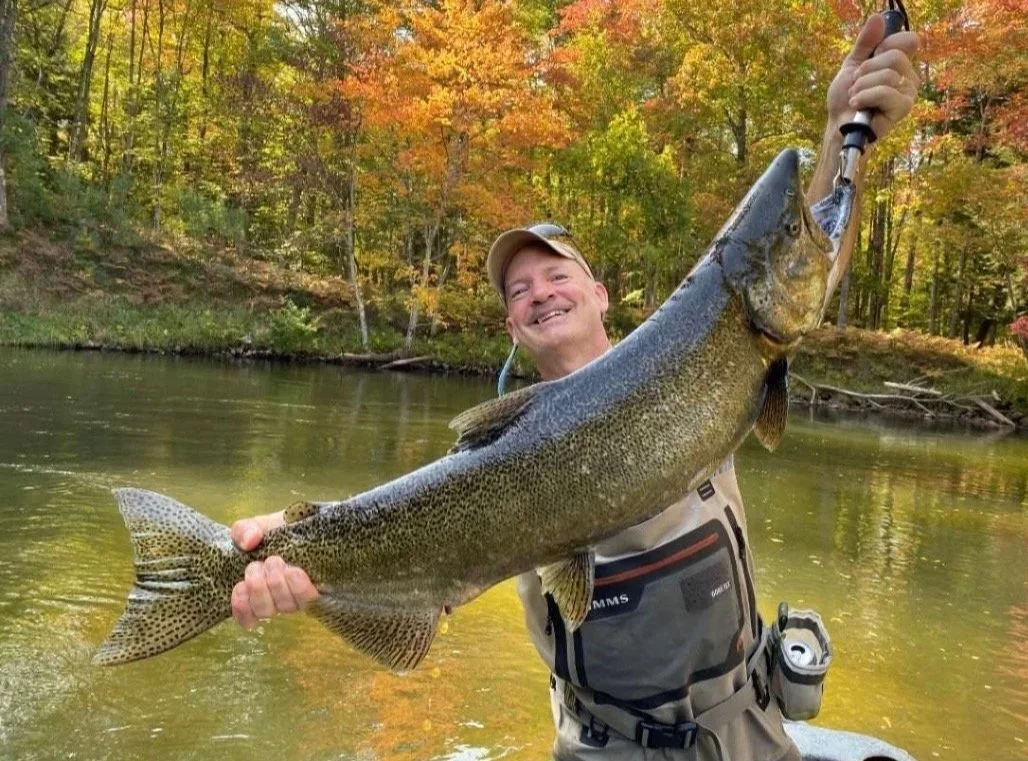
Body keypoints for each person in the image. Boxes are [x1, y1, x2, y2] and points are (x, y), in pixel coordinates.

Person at [229, 15, 919, 760]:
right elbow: (411, 515)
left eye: (557, 274)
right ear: (511, 327)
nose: (539, 292)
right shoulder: (492, 455)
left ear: (600, 295)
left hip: (749, 733)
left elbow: (801, 260)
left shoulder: (696, 353)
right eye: (519, 289)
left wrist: (843, 131)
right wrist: (294, 545)